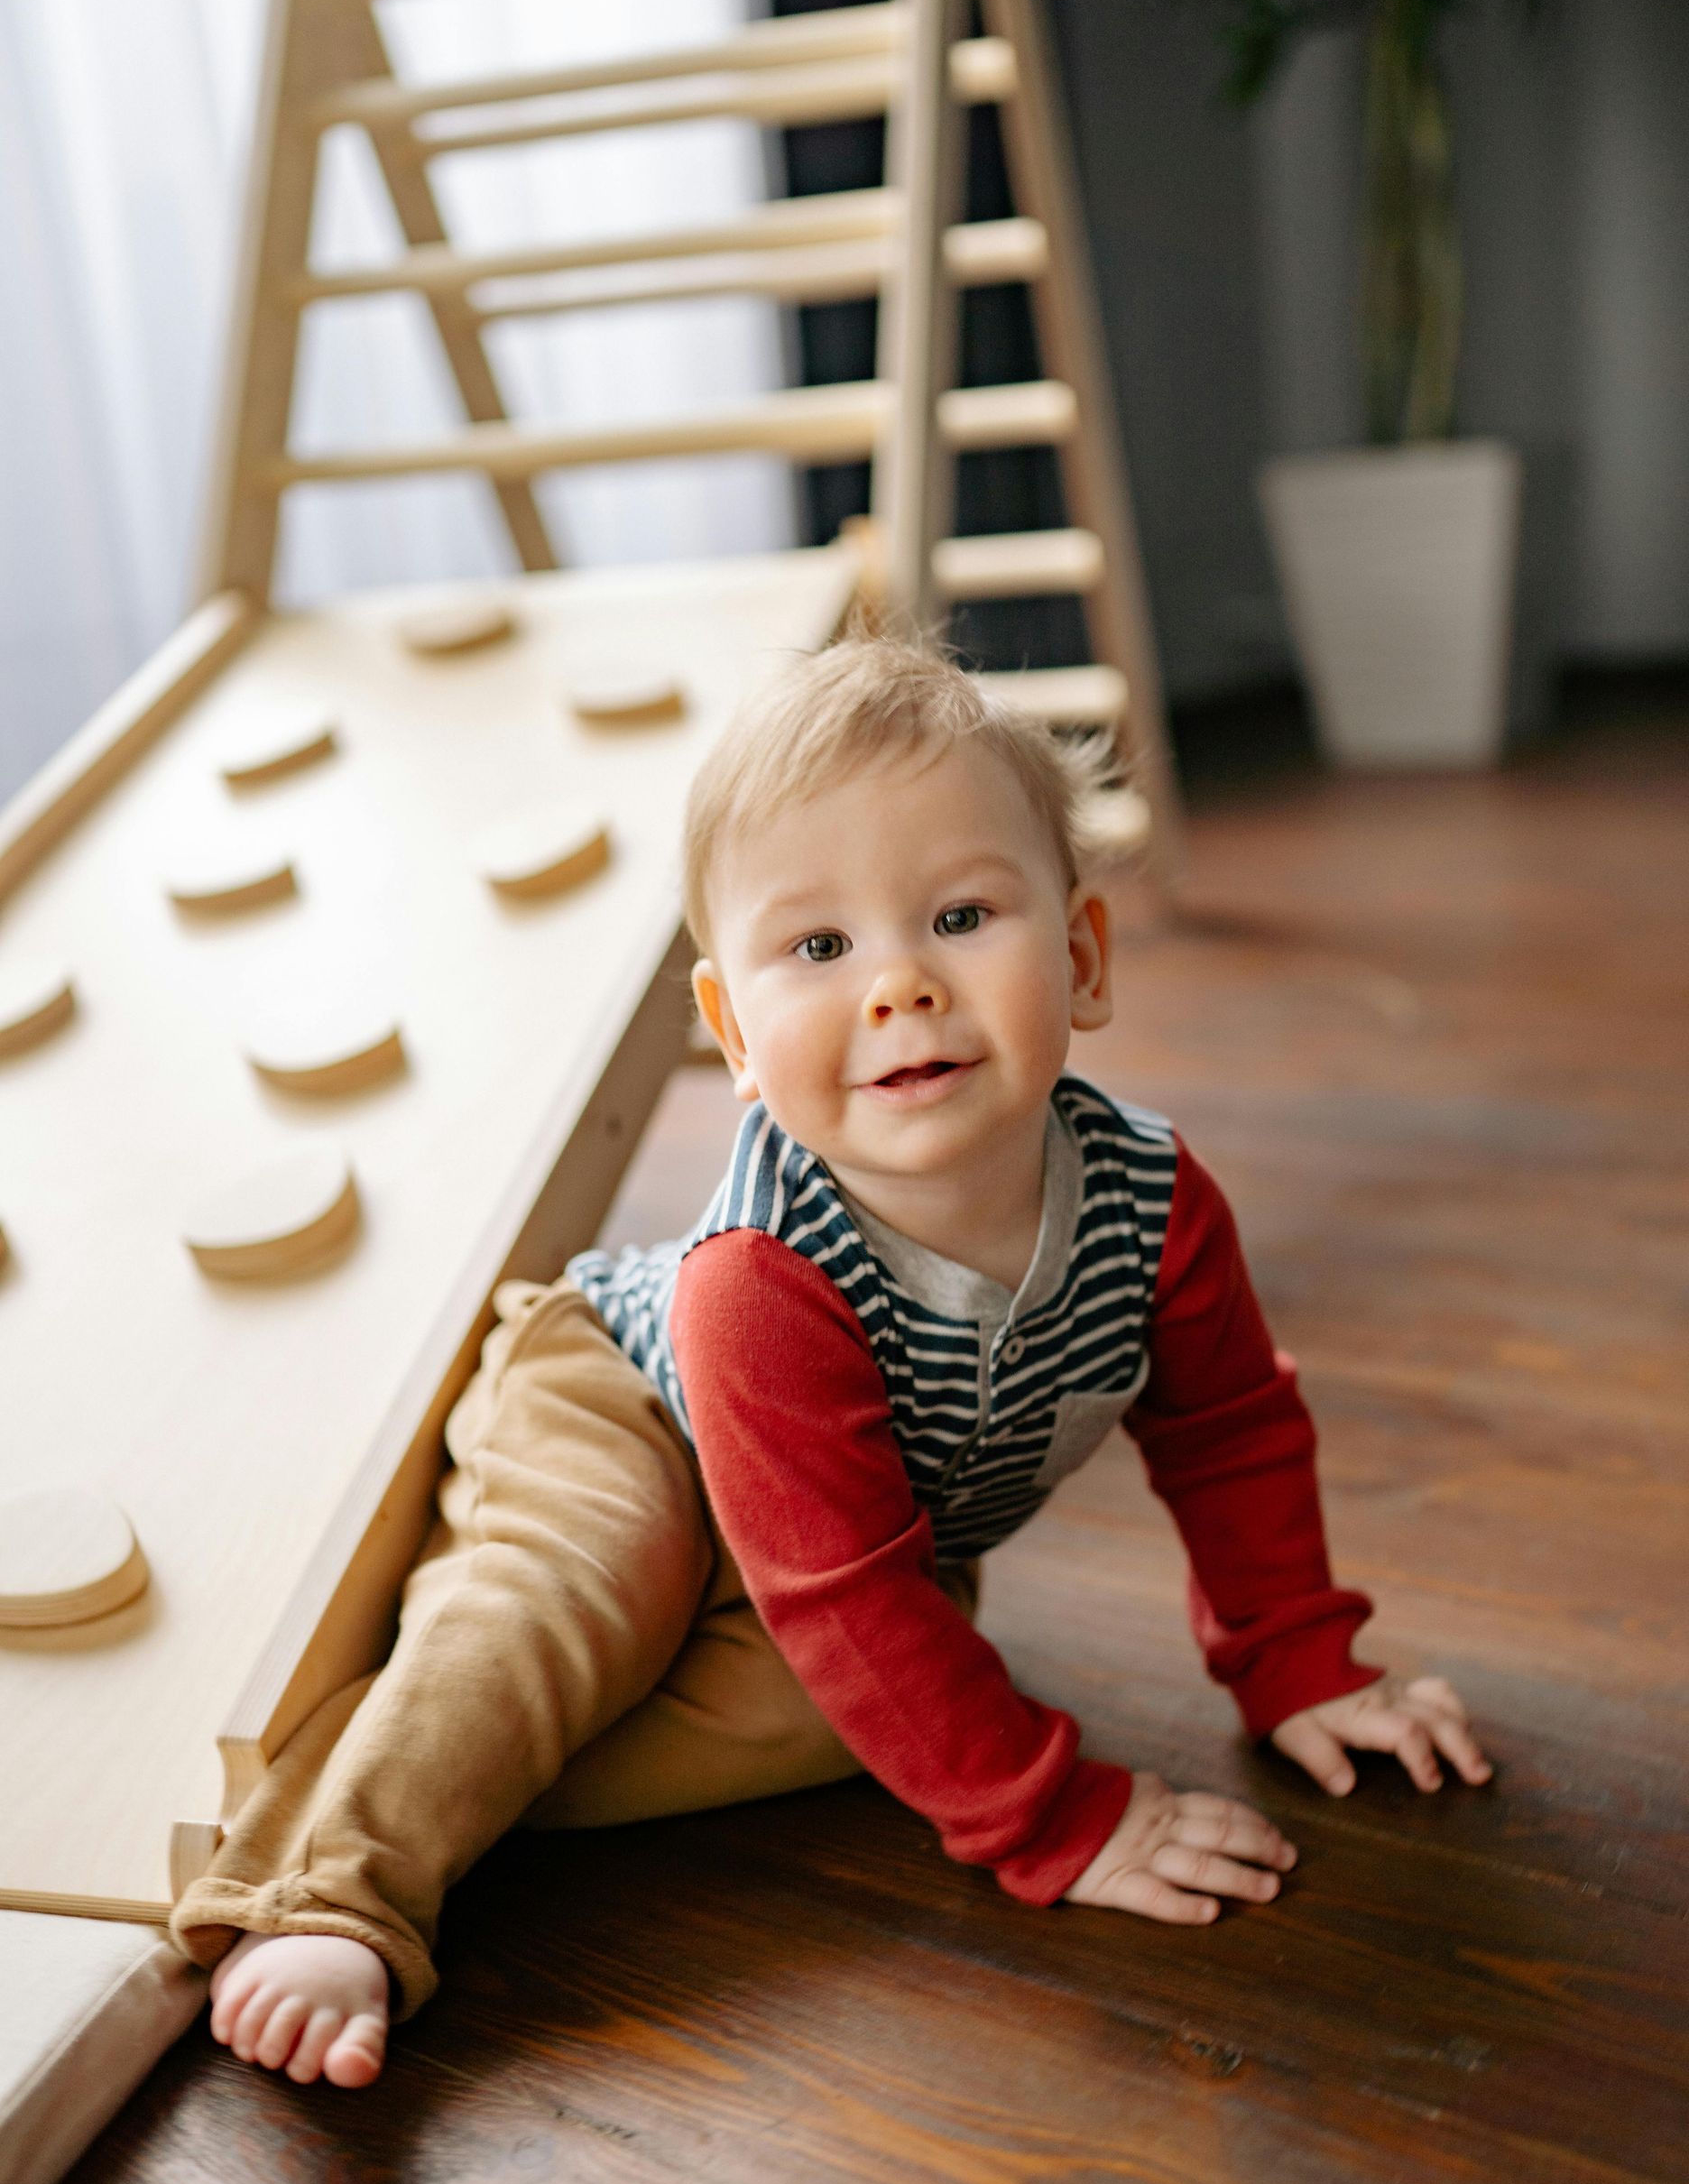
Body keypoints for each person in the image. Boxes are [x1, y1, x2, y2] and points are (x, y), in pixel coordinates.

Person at [171, 632, 1492, 2087]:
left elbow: (1230, 1432)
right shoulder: (762, 1282)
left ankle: (452, 1763)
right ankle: (334, 1885)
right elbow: (856, 1590)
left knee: (846, 1714)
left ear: (1083, 955)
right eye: (820, 947)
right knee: (587, 1589)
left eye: (963, 913)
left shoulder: (1157, 1206)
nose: (900, 986)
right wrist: (1062, 1818)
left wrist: (1299, 1663)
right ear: (734, 1034)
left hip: (843, 1537)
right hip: (615, 1401)